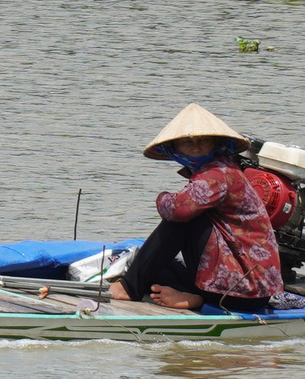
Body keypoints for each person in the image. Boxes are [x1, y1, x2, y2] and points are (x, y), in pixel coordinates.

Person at [110, 104, 284, 311]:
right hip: (244, 286)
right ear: (175, 147)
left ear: (216, 144)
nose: (196, 147)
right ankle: (191, 294)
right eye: (187, 142)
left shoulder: (218, 173)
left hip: (246, 288)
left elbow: (177, 209)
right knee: (155, 270)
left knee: (180, 220)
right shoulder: (213, 170)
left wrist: (162, 197)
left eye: (203, 141)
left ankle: (130, 288)